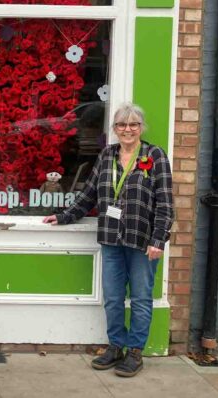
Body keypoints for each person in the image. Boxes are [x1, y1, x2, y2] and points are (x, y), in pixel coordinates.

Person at [43, 103, 173, 377]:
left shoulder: (155, 156)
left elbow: (165, 204)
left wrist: (158, 240)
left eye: (133, 124)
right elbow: (89, 193)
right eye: (122, 125)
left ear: (141, 128)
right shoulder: (107, 155)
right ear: (114, 129)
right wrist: (64, 216)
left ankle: (135, 352)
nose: (128, 129)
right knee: (113, 298)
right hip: (111, 238)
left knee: (140, 298)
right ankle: (115, 346)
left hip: (142, 240)